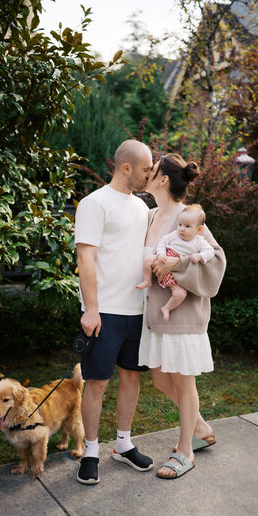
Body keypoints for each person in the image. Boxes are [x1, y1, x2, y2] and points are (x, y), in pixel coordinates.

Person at [138, 153, 226, 479]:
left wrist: (177, 265)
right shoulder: (149, 216)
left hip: (184, 317)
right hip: (156, 316)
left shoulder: (187, 217)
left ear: (163, 179)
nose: (146, 172)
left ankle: (185, 450)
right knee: (160, 378)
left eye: (153, 169)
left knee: (183, 381)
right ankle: (200, 426)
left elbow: (216, 260)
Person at [74, 139, 154, 485]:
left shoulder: (142, 206)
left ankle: (122, 444)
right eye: (146, 169)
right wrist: (91, 309)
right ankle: (90, 450)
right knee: (97, 382)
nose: (150, 175)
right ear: (126, 168)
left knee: (132, 378)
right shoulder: (94, 204)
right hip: (103, 312)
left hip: (137, 311)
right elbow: (85, 258)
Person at [136, 204, 214, 321]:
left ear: (199, 229)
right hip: (164, 260)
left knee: (180, 294)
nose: (182, 229)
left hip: (178, 276)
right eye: (180, 224)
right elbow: (162, 241)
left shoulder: (199, 241)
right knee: (148, 260)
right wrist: (161, 253)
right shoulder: (174, 235)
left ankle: (166, 308)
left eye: (187, 226)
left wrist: (200, 256)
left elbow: (210, 251)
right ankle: (147, 281)